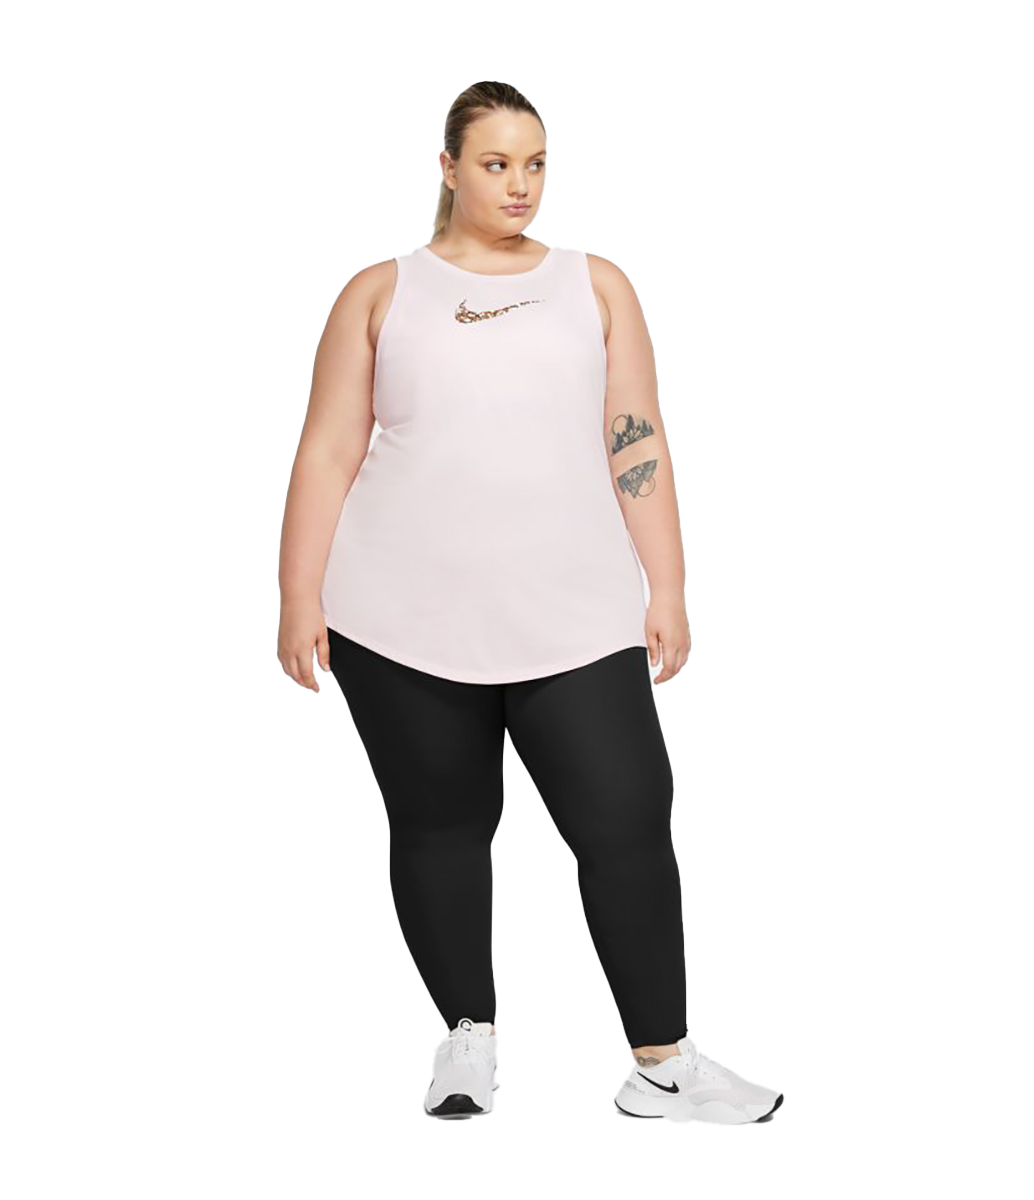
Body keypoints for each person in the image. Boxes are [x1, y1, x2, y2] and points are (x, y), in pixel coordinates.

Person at [277, 81, 784, 1125]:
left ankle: (662, 1065)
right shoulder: (381, 291)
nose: (521, 185)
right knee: (441, 829)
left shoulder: (594, 285)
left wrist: (669, 584)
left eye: (536, 163)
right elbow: (328, 447)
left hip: (576, 615)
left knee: (627, 824)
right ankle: (466, 1045)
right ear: (449, 167)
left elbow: (634, 436)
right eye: (497, 163)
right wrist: (297, 593)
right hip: (400, 615)